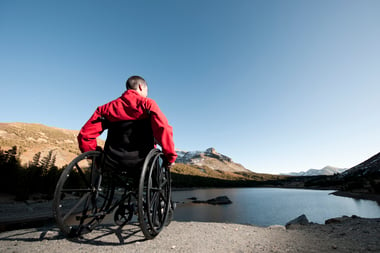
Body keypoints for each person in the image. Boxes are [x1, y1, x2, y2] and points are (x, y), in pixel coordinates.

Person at [77, 75, 177, 173]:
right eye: (147, 91)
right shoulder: (148, 104)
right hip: (143, 162)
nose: (146, 94)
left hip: (111, 162)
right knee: (161, 160)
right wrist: (170, 157)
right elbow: (163, 129)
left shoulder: (105, 109)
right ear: (141, 87)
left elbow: (85, 135)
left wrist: (97, 157)